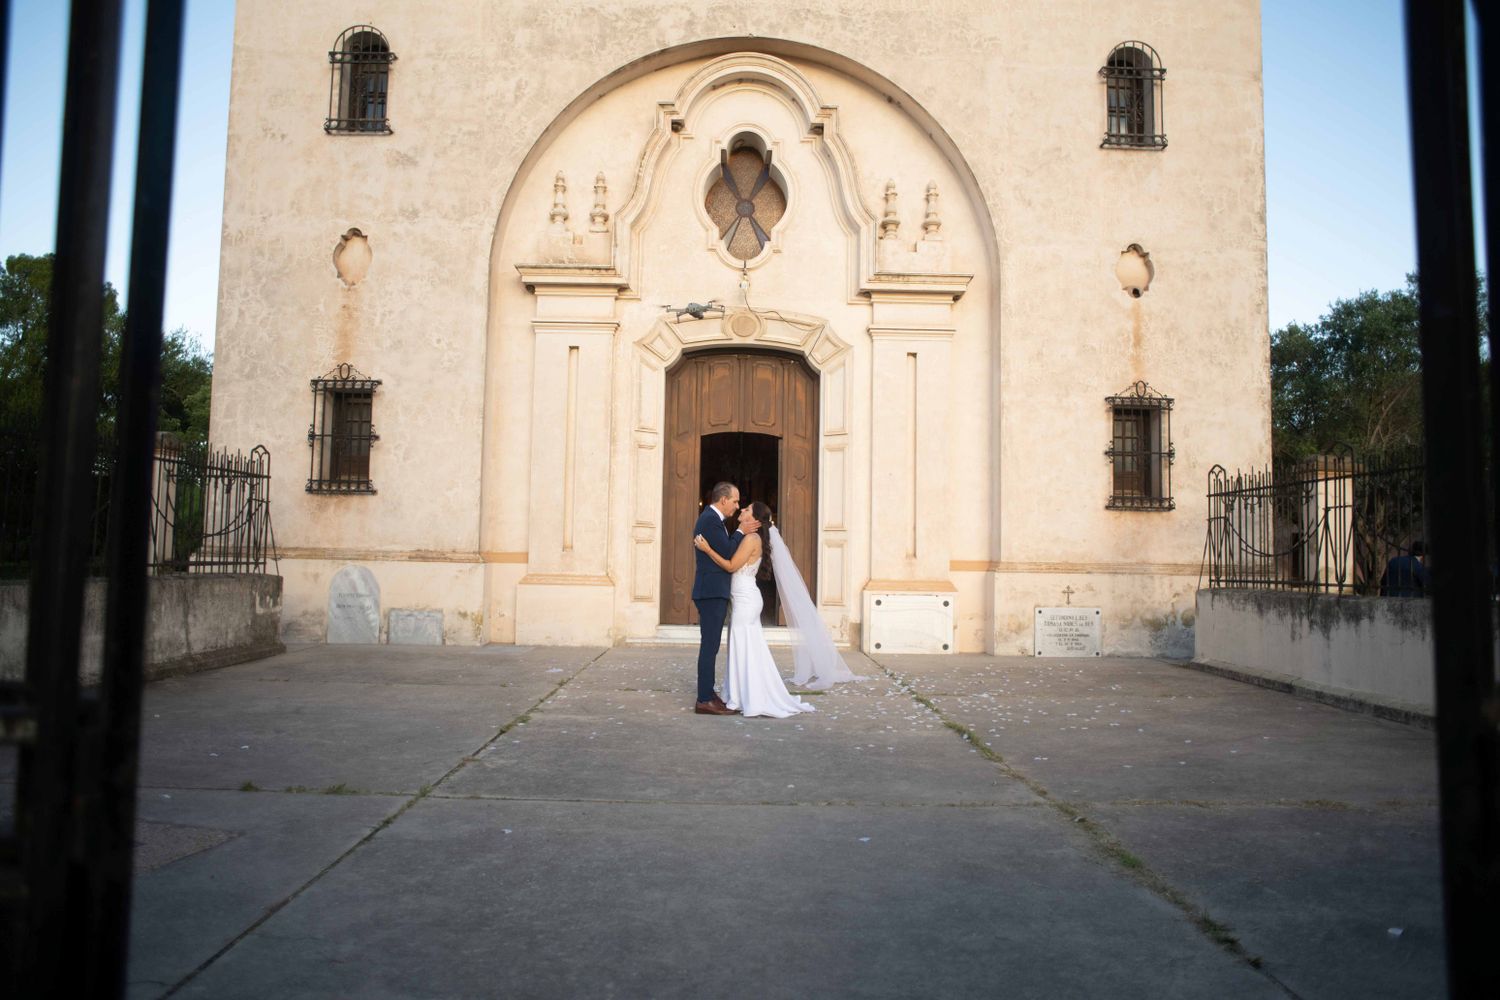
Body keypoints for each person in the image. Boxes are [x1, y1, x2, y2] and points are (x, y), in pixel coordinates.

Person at [695, 500, 859, 717]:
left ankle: (748, 695)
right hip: (745, 600)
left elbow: (731, 566)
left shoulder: (751, 539)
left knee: (743, 648)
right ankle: (742, 693)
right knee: (746, 648)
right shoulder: (747, 537)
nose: (741, 510)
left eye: (746, 510)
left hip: (746, 601)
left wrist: (707, 549)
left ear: (753, 520)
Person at [689, 482, 757, 715]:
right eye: (735, 501)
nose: (737, 507)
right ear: (723, 500)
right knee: (709, 647)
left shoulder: (714, 520)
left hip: (713, 592)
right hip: (710, 592)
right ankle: (704, 699)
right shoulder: (710, 520)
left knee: (712, 646)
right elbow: (728, 552)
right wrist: (740, 532)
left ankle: (708, 694)